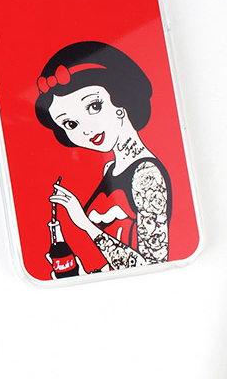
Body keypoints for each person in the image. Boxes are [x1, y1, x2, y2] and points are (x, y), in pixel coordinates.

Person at [35, 41, 171, 274]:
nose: (87, 129)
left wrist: (84, 223)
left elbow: (154, 266)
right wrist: (84, 275)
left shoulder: (147, 174)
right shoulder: (110, 168)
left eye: (94, 106)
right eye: (71, 124)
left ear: (119, 97)